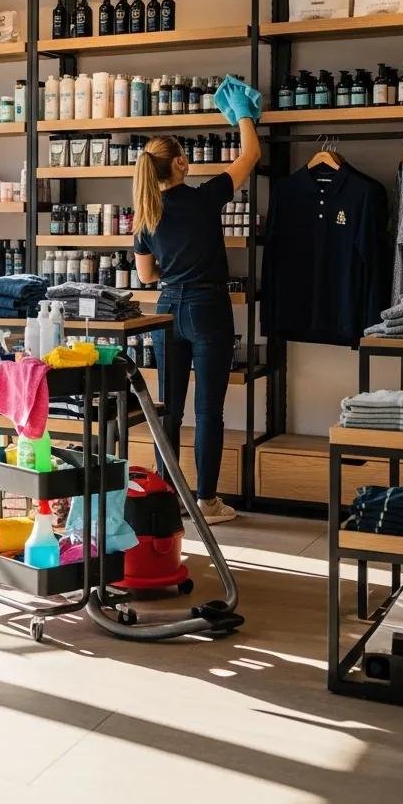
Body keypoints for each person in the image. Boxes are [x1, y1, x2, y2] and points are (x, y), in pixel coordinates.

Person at [132, 106, 261, 525]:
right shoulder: (206, 199)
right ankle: (207, 502)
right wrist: (242, 116)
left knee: (169, 408)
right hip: (208, 309)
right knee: (208, 410)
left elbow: (146, 274)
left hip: (167, 310)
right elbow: (251, 155)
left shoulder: (147, 215)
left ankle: (166, 496)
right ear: (181, 163)